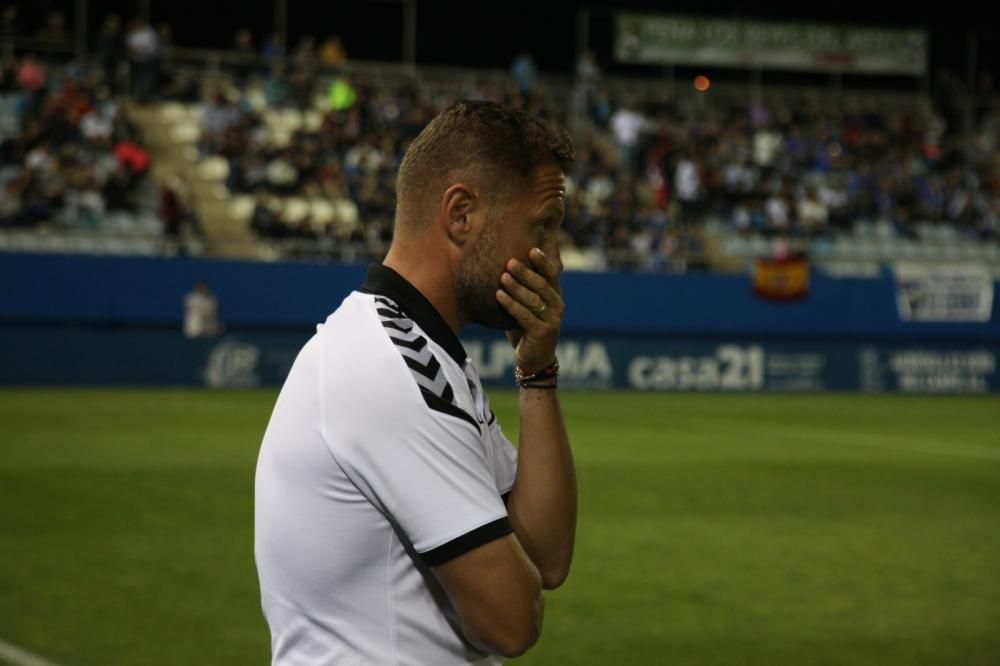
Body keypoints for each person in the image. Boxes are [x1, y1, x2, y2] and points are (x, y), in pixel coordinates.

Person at [254, 100, 578, 664]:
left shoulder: (426, 355)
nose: (553, 257)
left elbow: (547, 558)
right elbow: (511, 619)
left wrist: (537, 374)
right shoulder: (392, 367)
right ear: (461, 214)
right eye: (542, 226)